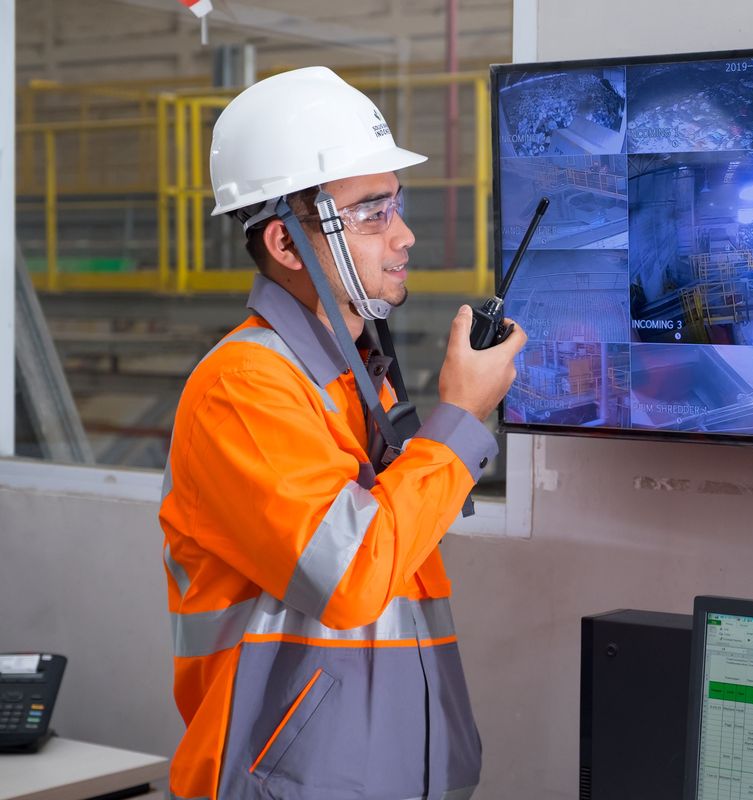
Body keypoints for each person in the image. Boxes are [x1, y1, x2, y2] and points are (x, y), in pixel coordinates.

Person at [159, 66, 526, 800]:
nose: (405, 235)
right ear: (287, 246)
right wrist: (457, 418)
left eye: (397, 204)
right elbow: (353, 576)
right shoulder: (245, 389)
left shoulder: (358, 380)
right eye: (370, 213)